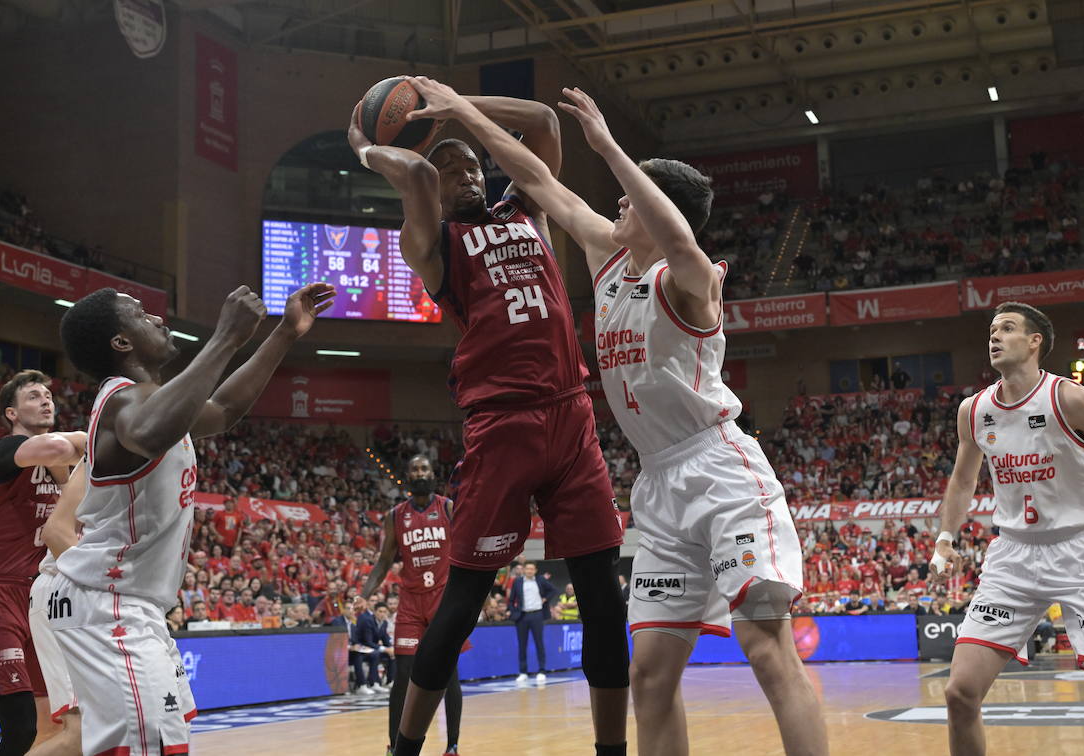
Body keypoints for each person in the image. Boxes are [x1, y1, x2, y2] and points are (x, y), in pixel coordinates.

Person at [419, 80, 823, 756]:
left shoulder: (693, 282)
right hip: (660, 488)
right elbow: (535, 178)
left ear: (659, 210)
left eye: (629, 199)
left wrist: (606, 145)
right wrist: (463, 112)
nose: (615, 204)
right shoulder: (608, 258)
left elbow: (678, 238)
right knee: (650, 674)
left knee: (764, 643)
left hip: (722, 471)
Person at [350, 86, 629, 756]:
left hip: (570, 416)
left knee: (602, 599)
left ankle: (612, 751)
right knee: (465, 596)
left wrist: (454, 104)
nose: (466, 175)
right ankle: (407, 749)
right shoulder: (437, 244)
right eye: (451, 172)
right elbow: (415, 173)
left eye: (472, 165)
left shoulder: (525, 206)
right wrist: (366, 146)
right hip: (502, 425)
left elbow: (542, 121)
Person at [47, 281, 334, 756]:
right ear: (121, 343)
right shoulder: (123, 399)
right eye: (141, 315)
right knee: (147, 749)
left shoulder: (153, 402)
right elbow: (147, 432)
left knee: (164, 741)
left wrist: (284, 333)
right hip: (108, 602)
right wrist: (224, 338)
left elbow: (223, 409)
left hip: (132, 605)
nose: (158, 318)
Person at [933, 302, 1084, 756]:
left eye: (1008, 329)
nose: (994, 337)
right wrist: (945, 538)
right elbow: (961, 480)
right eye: (992, 330)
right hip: (1012, 555)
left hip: (1077, 553)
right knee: (959, 693)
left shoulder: (1073, 399)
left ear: (1035, 342)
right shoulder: (973, 410)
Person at [0, 371, 86, 756]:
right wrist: (105, 433)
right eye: (33, 396)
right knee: (21, 726)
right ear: (11, 412)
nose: (46, 401)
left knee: (54, 726)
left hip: (38, 599)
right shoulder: (3, 453)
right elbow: (63, 449)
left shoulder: (60, 468)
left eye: (49, 395)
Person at [360, 454, 463, 756]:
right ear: (407, 475)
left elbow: (465, 549)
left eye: (424, 468)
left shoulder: (447, 507)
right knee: (402, 674)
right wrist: (364, 594)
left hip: (443, 600)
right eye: (414, 469)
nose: (420, 473)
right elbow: (383, 562)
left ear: (432, 474)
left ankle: (452, 745)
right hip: (410, 603)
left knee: (449, 672)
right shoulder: (395, 515)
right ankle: (395, 746)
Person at [26, 464, 89, 756]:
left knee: (109, 727)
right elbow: (55, 531)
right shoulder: (100, 455)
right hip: (64, 589)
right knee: (78, 733)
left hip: (85, 593)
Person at [508, 562, 556, 685]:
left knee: (539, 643)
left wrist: (545, 599)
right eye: (527, 568)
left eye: (532, 569)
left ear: (535, 570)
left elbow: (553, 590)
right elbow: (511, 599)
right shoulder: (518, 581)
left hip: (537, 615)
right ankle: (523, 672)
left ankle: (542, 671)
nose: (529, 571)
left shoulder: (540, 580)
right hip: (522, 616)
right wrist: (513, 612)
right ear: (524, 570)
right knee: (522, 645)